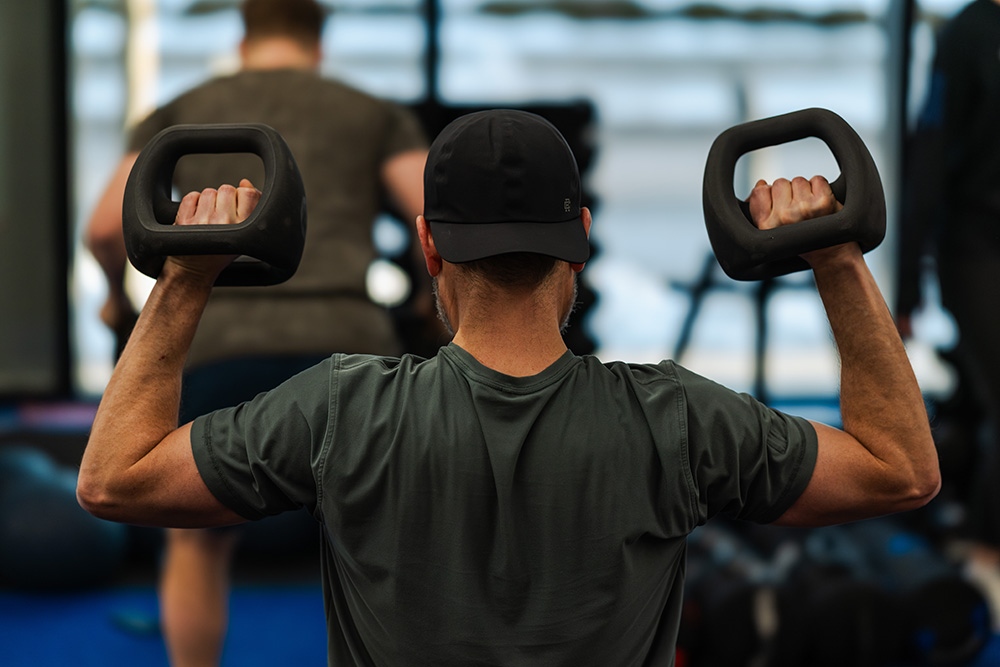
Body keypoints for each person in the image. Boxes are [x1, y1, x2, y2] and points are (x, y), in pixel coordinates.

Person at [79, 109, 940, 666]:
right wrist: (836, 257)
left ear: (429, 245)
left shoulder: (341, 407)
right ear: (582, 239)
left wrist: (186, 277)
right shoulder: (675, 415)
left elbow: (115, 479)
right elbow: (900, 469)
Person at [83, 1, 429, 664]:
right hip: (348, 344)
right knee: (382, 532)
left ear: (243, 39)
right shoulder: (371, 111)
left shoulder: (176, 110)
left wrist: (115, 301)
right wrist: (426, 300)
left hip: (215, 342)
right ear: (319, 44)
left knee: (195, 541)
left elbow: (103, 229)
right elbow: (429, 212)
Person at [895, 0, 1000, 580]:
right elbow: (928, 156)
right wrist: (907, 288)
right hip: (976, 249)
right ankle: (983, 553)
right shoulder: (969, 35)